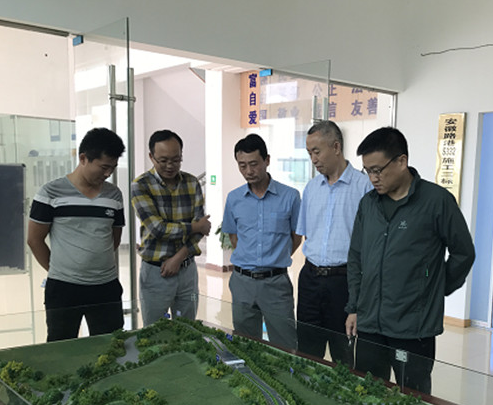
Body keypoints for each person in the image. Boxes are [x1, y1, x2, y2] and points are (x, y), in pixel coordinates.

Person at [345, 127, 475, 394]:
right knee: (367, 394)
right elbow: (356, 257)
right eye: (367, 171)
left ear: (402, 161)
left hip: (413, 327)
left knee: (413, 399)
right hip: (369, 323)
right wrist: (354, 307)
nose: (373, 178)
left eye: (378, 170)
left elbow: (463, 253)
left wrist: (436, 289)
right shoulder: (368, 204)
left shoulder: (436, 201)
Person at [28, 127, 126, 342]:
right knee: (62, 347)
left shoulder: (114, 195)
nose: (108, 174)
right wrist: (61, 270)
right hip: (63, 288)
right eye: (104, 167)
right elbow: (34, 240)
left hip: (106, 286)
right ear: (83, 158)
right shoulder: (50, 192)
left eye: (113, 168)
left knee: (111, 345)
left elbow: (114, 238)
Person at [296, 121, 372, 366]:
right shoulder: (311, 188)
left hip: (344, 282)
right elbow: (307, 235)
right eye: (309, 153)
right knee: (307, 351)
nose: (313, 159)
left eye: (317, 152)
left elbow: (369, 245)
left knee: (343, 353)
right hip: (310, 279)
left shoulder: (364, 187)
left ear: (336, 147)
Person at [222, 134, 301, 350]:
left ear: (267, 160)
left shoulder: (290, 197)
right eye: (242, 166)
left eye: (254, 164)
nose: (248, 171)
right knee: (245, 344)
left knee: (284, 344)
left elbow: (296, 237)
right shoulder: (234, 198)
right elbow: (233, 236)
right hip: (242, 282)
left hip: (276, 283)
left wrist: (274, 258)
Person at [131, 130, 211, 326]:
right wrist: (195, 226)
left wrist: (178, 257)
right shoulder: (141, 185)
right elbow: (158, 229)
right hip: (155, 272)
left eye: (176, 160)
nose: (170, 166)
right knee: (154, 330)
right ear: (151, 157)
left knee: (188, 327)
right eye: (163, 160)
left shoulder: (192, 183)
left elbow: (201, 230)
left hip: (187, 271)